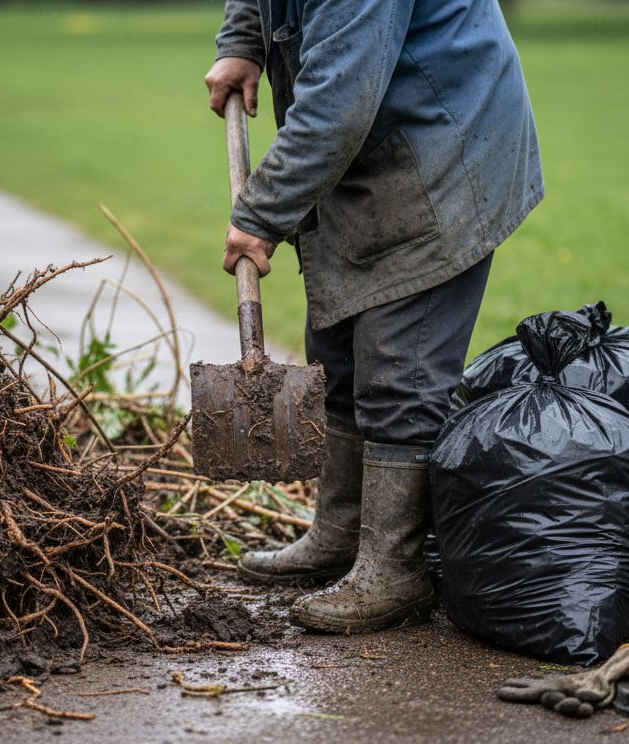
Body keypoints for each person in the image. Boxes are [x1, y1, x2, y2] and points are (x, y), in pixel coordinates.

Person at [203, 0, 543, 633]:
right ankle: (338, 535)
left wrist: (259, 216)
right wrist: (243, 40)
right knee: (335, 342)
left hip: (443, 137)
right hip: (374, 136)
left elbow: (339, 100)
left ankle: (395, 567)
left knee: (400, 364)